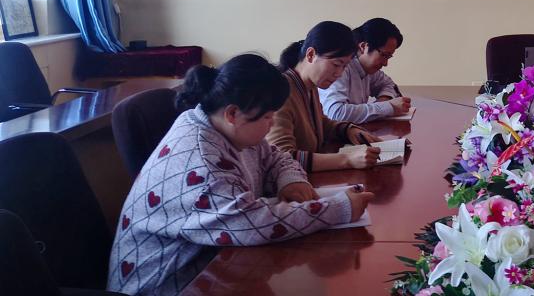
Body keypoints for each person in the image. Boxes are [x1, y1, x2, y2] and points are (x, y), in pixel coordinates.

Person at [107, 54, 374, 296]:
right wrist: (338, 209)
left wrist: (291, 180)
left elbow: (276, 156)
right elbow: (252, 224)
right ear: (233, 113)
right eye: (267, 117)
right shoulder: (200, 161)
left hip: (213, 264)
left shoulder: (226, 127)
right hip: (169, 284)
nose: (272, 124)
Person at [267, 21, 382, 172]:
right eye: (336, 64)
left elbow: (319, 123)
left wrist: (347, 130)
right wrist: (346, 160)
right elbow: (282, 158)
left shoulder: (309, 86)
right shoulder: (280, 92)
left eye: (344, 66)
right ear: (311, 55)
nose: (339, 73)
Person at [320, 17, 411, 123]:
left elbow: (389, 84)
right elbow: (335, 113)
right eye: (384, 55)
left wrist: (384, 99)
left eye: (389, 57)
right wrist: (388, 107)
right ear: (363, 46)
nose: (385, 63)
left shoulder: (369, 69)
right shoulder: (340, 68)